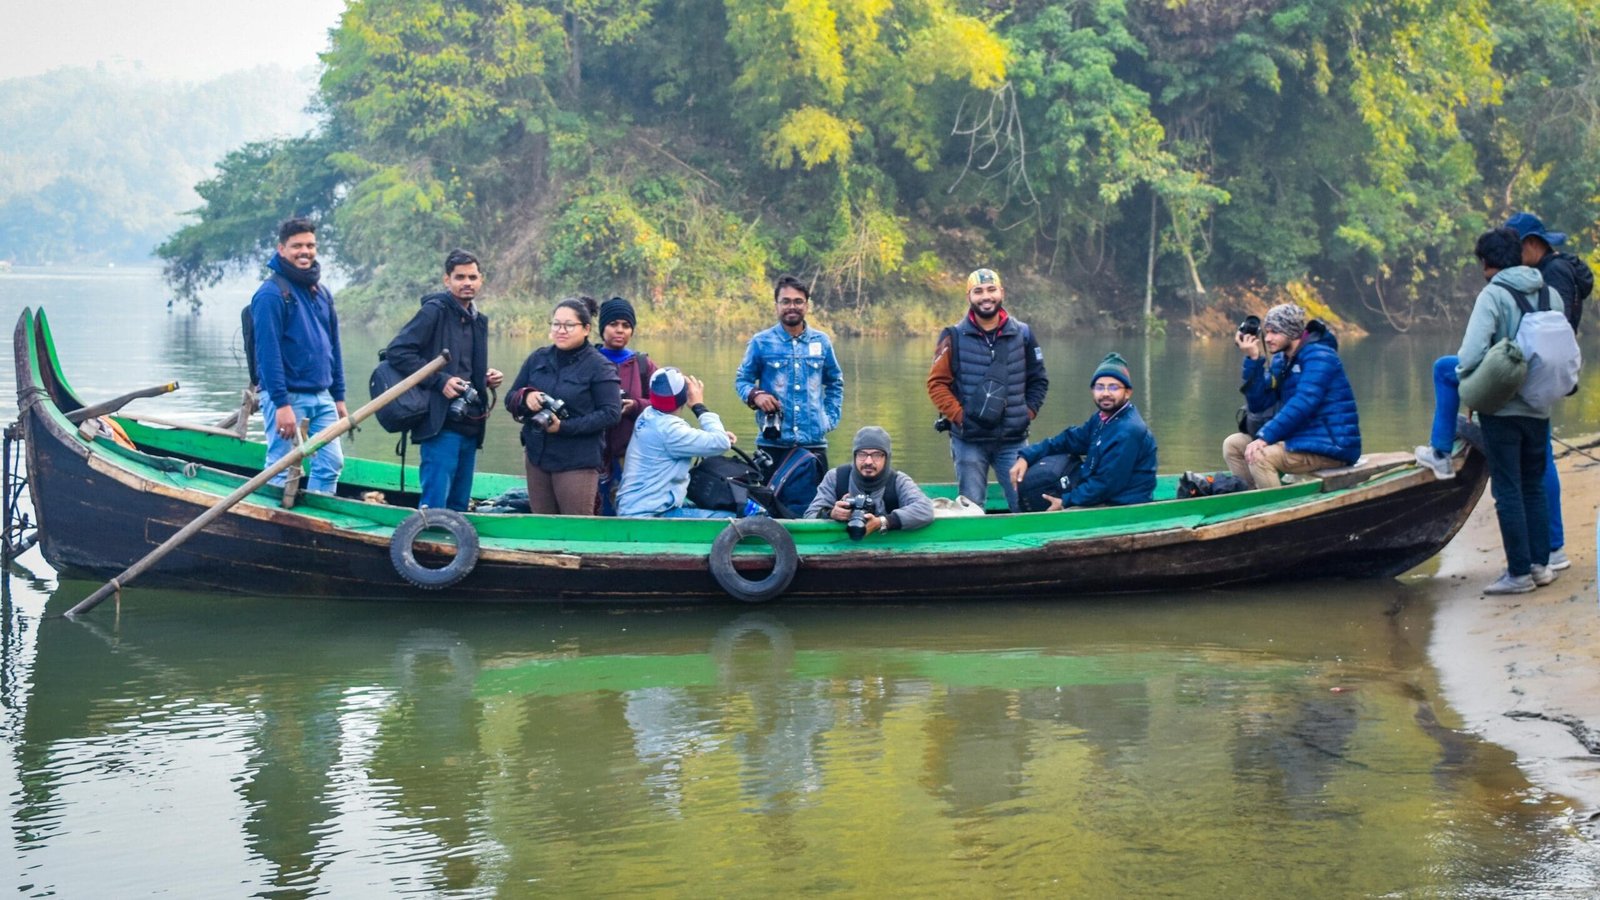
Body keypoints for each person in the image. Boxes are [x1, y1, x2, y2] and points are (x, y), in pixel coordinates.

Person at [1443, 227, 1561, 594]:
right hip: (1539, 405)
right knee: (1533, 485)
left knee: (1508, 489)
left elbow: (1471, 354)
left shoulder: (1493, 295)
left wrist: (1467, 382)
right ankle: (1541, 566)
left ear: (1487, 263)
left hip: (1503, 409)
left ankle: (1518, 574)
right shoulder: (1549, 292)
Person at [382, 249, 504, 511]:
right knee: (435, 504)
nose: (467, 283)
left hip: (471, 423)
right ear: (447, 280)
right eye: (460, 277)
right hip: (440, 421)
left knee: (459, 505)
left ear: (481, 280)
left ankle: (451, 548)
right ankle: (428, 547)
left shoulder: (478, 320)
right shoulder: (433, 312)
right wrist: (439, 381)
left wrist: (484, 379)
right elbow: (397, 352)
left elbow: (466, 367)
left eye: (472, 277)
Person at [927, 267, 1049, 511]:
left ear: (1001, 292)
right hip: (969, 441)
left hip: (1014, 441)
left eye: (991, 290)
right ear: (969, 297)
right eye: (978, 291)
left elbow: (1039, 381)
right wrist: (961, 417)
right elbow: (937, 384)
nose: (986, 297)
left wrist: (1026, 413)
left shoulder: (1023, 333)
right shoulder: (953, 336)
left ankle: (1027, 549)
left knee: (1025, 503)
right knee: (971, 508)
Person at [1505, 212, 1587, 571]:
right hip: (1549, 371)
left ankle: (1553, 545)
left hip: (1543, 371)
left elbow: (1556, 328)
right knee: (1542, 455)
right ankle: (1551, 543)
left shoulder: (1552, 274)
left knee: (1541, 461)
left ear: (1533, 245)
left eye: (1515, 248)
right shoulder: (1557, 270)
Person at [250, 217, 347, 493]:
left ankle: (316, 523)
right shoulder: (271, 295)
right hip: (287, 397)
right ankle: (274, 525)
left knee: (331, 463)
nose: (305, 251)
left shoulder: (322, 293)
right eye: (297, 246)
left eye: (310, 245)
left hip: (322, 396)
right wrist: (281, 404)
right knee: (282, 466)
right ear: (282, 249)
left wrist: (339, 396)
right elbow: (267, 356)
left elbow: (334, 347)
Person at [1222, 303, 1361, 490]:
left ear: (1292, 332)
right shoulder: (1282, 360)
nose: (1268, 338)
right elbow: (1259, 405)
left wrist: (1265, 437)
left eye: (1275, 332)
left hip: (1330, 445)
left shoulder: (1320, 356)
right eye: (1267, 332)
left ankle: (1273, 511)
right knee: (1233, 445)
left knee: (1260, 457)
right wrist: (1253, 360)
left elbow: (1304, 402)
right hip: (1299, 439)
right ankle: (1250, 497)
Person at [504, 296, 621, 515]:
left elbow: (611, 414)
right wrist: (526, 398)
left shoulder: (599, 366)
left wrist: (564, 427)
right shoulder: (538, 358)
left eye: (569, 325)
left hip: (577, 461)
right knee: (542, 525)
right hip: (537, 456)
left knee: (574, 527)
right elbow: (510, 398)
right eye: (556, 324)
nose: (561, 330)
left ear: (586, 329)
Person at [1007, 353, 1157, 511]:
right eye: (1100, 387)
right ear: (1093, 390)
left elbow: (1106, 484)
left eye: (1113, 387)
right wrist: (1027, 456)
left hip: (1123, 506)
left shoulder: (1129, 430)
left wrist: (1065, 501)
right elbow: (1068, 440)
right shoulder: (1102, 419)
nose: (1105, 393)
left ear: (1127, 392)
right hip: (1101, 495)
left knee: (1048, 516)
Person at [734, 275, 844, 468]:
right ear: (776, 305)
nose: (792, 306)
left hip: (813, 444)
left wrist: (828, 420)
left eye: (798, 301)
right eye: (785, 301)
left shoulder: (821, 341)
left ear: (807, 305)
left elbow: (835, 383)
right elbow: (742, 380)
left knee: (816, 499)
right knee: (769, 497)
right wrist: (756, 395)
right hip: (772, 444)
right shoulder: (761, 342)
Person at [616, 368, 739, 518]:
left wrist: (708, 437)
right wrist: (698, 405)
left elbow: (674, 436)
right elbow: (721, 443)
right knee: (731, 517)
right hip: (651, 514)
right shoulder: (671, 431)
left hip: (632, 506)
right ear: (683, 398)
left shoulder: (648, 415)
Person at [804, 426, 934, 534]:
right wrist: (831, 513)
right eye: (862, 454)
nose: (868, 461)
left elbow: (925, 509)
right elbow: (809, 516)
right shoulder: (836, 477)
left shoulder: (898, 481)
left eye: (877, 455)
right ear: (854, 456)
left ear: (887, 458)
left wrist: (883, 522)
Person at [595, 296, 657, 515]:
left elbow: (662, 404)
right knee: (595, 506)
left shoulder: (642, 364)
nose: (619, 330)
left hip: (631, 452)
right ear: (602, 328)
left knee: (626, 505)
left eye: (626, 325)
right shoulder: (589, 359)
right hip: (593, 451)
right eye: (613, 324)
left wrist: (636, 405)